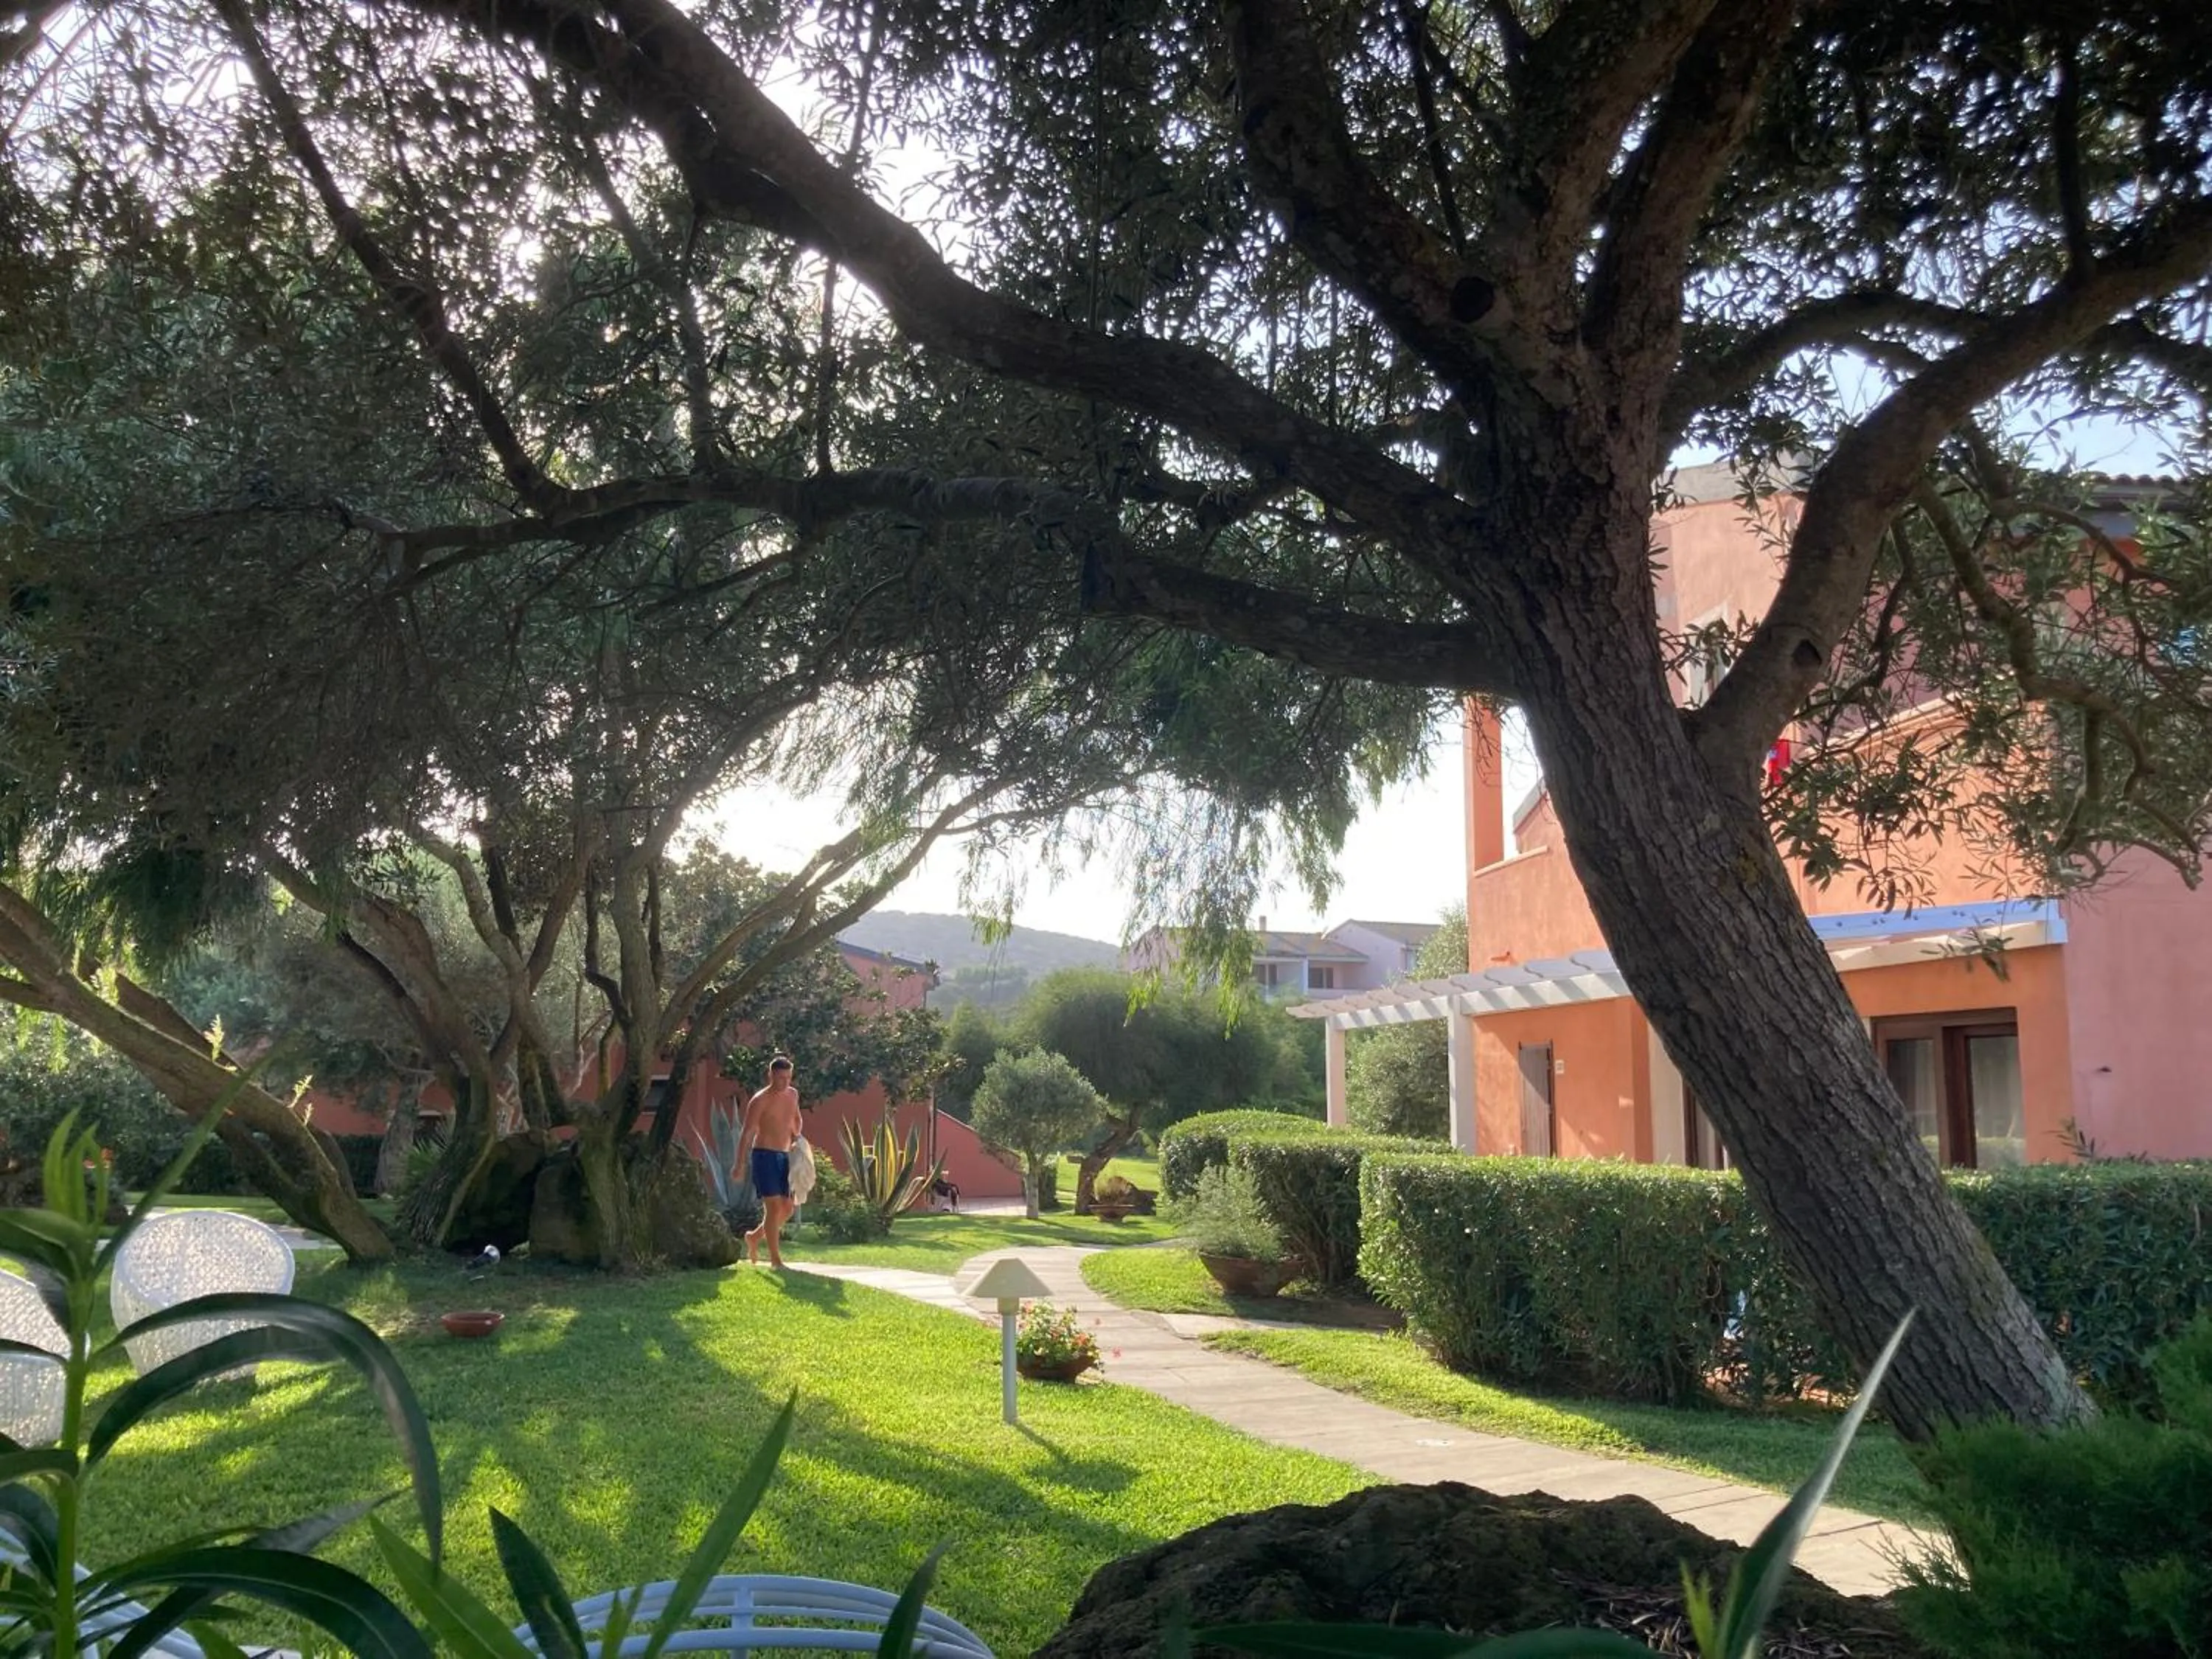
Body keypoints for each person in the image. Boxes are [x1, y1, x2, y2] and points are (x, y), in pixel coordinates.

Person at [736, 1055, 802, 1267]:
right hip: (764, 1155)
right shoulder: (760, 1100)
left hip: (785, 1156)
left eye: (788, 1078)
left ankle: (754, 1237)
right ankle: (776, 1260)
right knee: (773, 1209)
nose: (785, 1082)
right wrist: (739, 1164)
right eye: (781, 1078)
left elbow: (796, 1118)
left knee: (788, 1208)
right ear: (771, 1075)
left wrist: (797, 1139)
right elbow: (747, 1133)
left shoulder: (793, 1094)